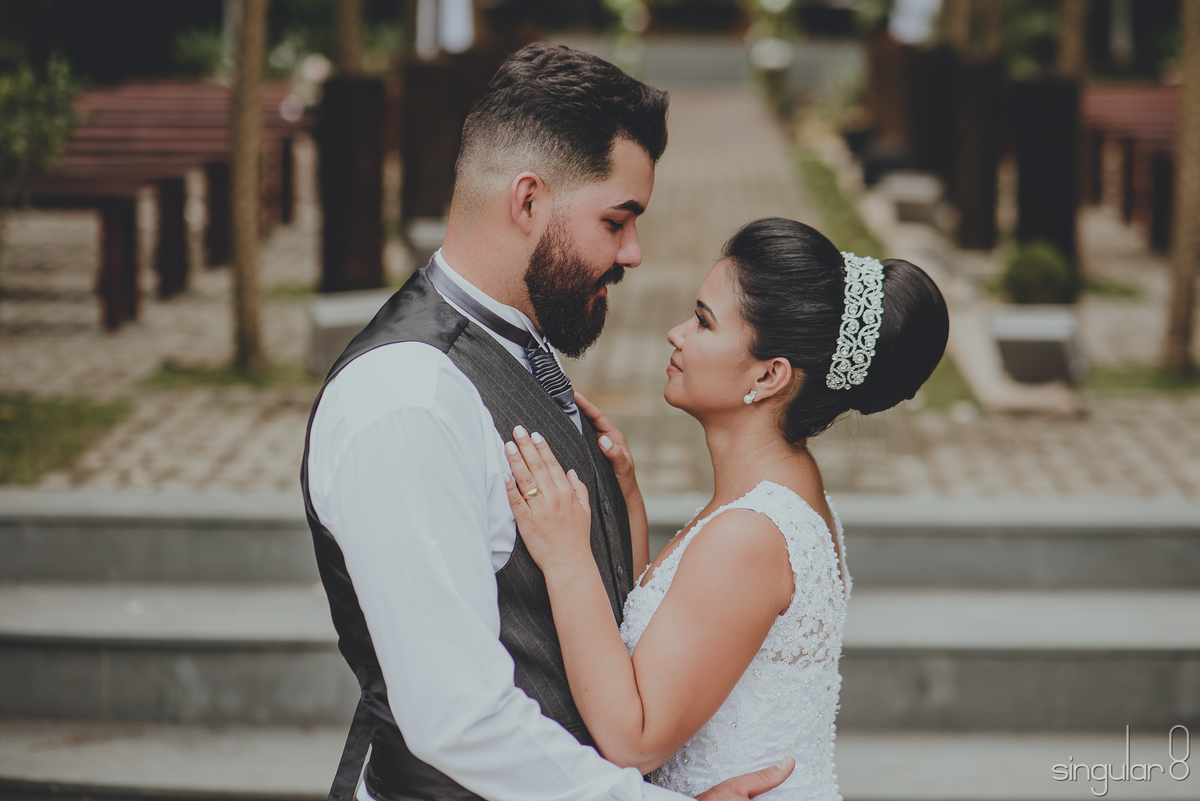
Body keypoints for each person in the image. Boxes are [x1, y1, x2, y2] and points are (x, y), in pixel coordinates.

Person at [301, 44, 794, 801]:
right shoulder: (407, 399)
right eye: (615, 219)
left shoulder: (516, 340)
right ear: (527, 201)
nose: (633, 252)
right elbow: (456, 718)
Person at [502, 218, 950, 799]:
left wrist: (566, 557)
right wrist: (630, 501)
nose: (675, 333)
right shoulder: (780, 492)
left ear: (769, 375)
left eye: (703, 322)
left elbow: (636, 739)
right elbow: (671, 643)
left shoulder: (749, 535)